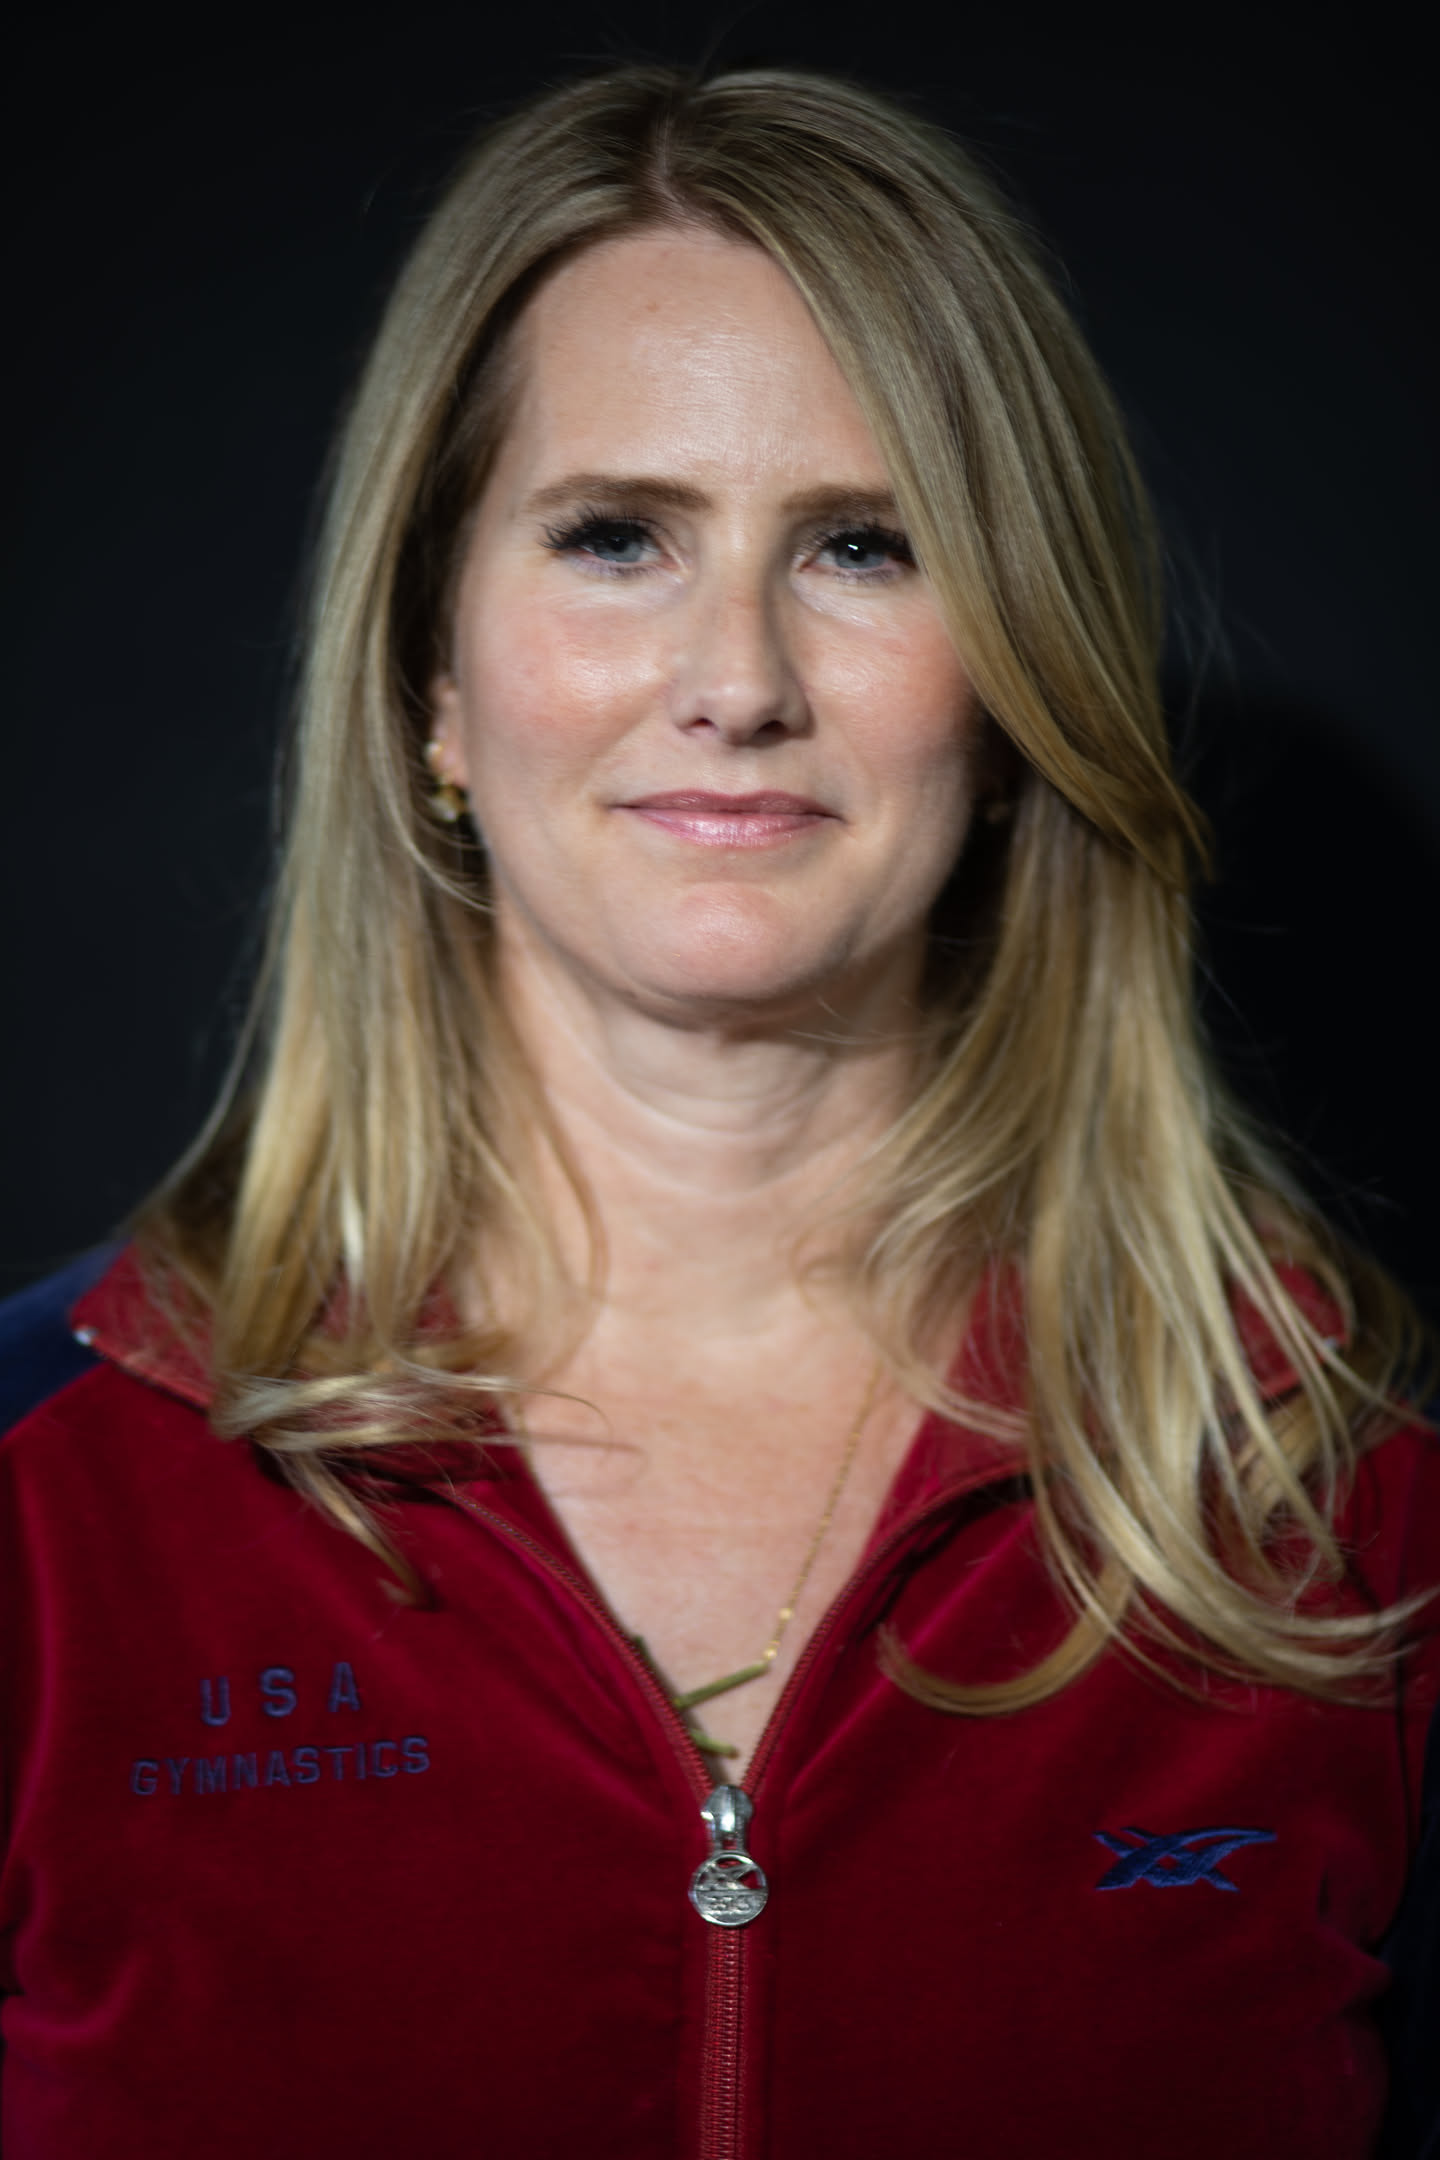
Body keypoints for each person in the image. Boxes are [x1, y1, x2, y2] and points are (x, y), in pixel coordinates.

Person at [1, 62, 1435, 2160]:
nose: (739, 677)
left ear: (1013, 680)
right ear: (430, 678)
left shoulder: (1352, 1512)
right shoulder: (45, 1497)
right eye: (616, 538)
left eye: (864, 545)